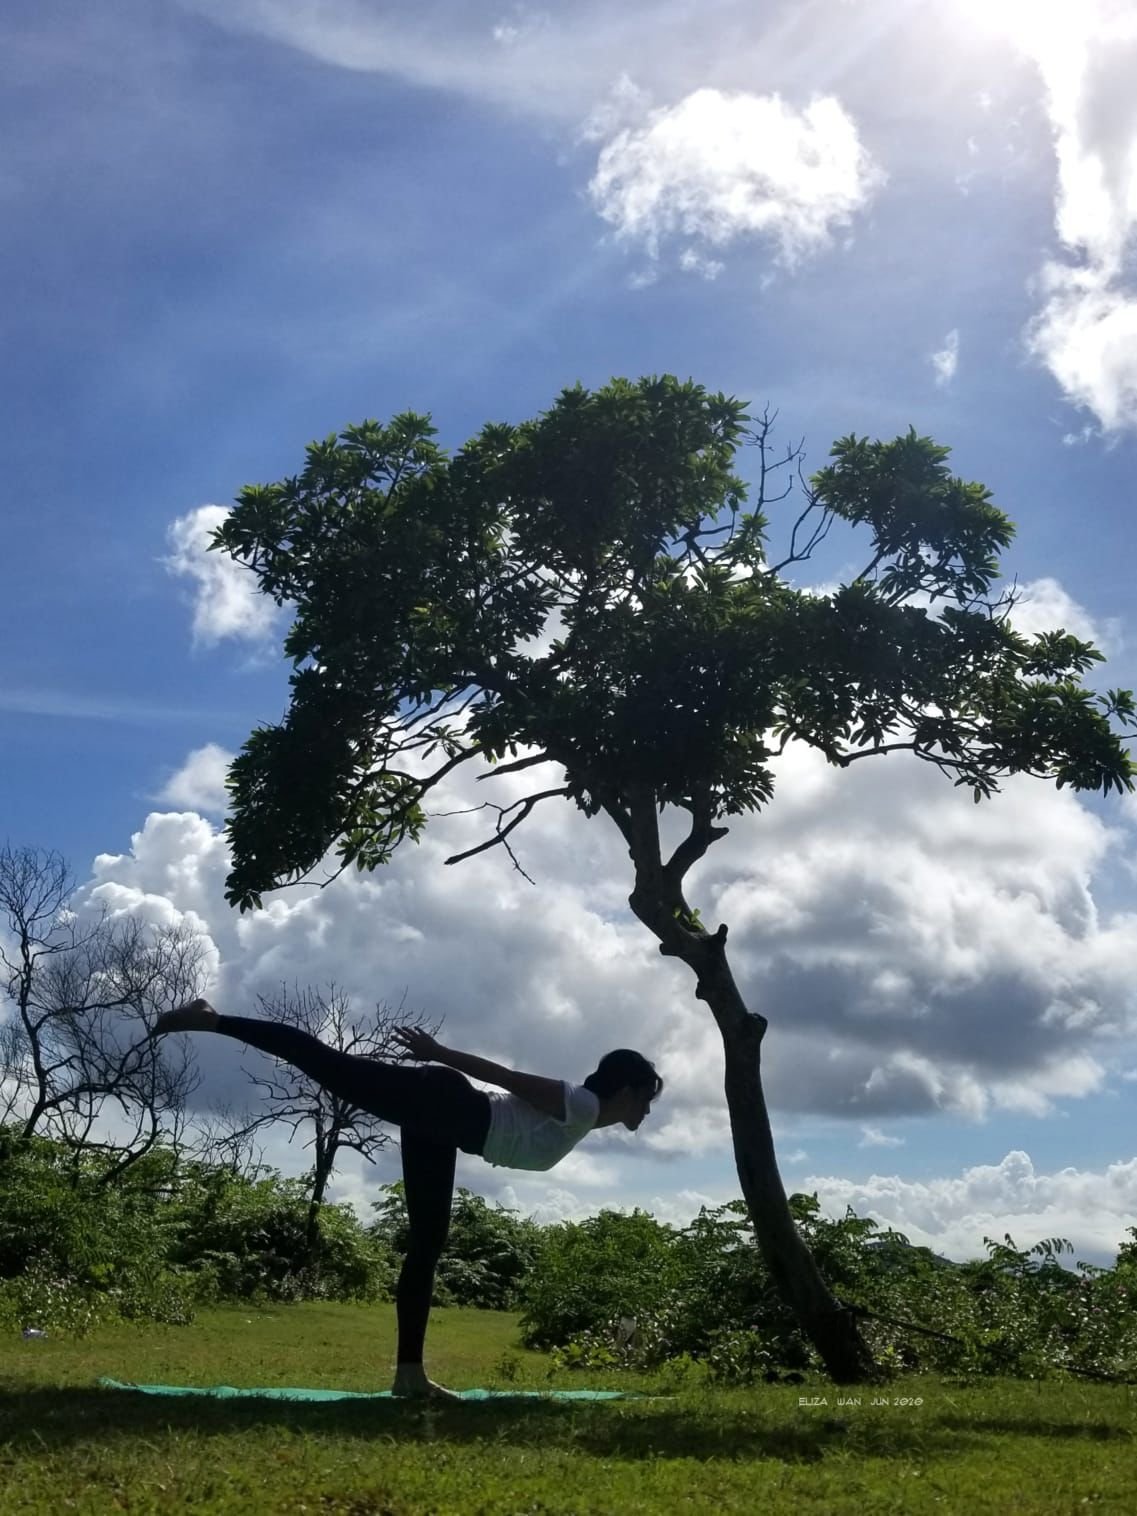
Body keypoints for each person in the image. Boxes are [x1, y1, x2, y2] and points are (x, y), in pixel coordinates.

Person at [153, 998, 662, 1399]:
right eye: (645, 1098)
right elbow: (505, 1079)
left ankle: (409, 1376)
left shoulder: (587, 1113)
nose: (646, 1111)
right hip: (440, 1102)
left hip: (442, 1127)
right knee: (329, 1065)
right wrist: (438, 1053)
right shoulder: (583, 1101)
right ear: (626, 1090)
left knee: (428, 1244)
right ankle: (212, 1020)